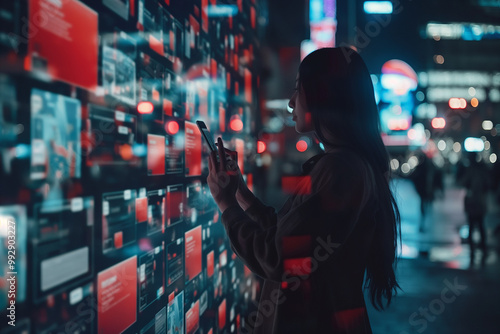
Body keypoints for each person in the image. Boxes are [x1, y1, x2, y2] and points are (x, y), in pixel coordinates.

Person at [206, 47, 401, 334]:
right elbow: (294, 236)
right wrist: (241, 196)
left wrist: (226, 206)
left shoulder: (340, 170)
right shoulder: (349, 165)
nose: (291, 102)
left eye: (299, 89)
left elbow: (279, 257)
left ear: (325, 95)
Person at [460, 152, 489, 267]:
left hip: (473, 202)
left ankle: (473, 252)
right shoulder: (482, 171)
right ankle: (482, 250)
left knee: (473, 227)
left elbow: (463, 182)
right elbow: (488, 185)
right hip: (479, 202)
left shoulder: (471, 171)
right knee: (480, 227)